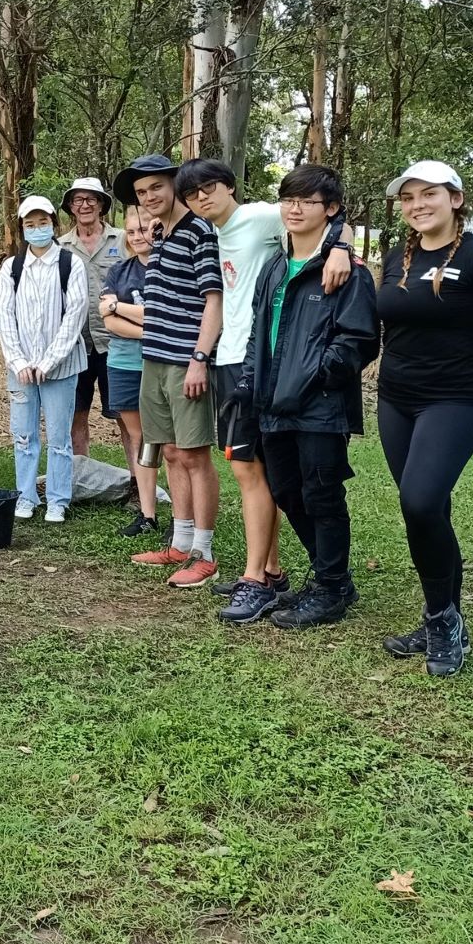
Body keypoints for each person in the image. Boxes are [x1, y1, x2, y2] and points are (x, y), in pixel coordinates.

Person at [376, 160, 473, 676]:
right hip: (397, 399)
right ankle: (442, 618)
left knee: (419, 500)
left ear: (456, 199)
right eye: (408, 198)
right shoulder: (396, 255)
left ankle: (443, 621)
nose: (418, 204)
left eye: (430, 195)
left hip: (456, 400)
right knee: (427, 511)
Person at [175, 158, 353, 597]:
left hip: (258, 360)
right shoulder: (212, 232)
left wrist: (341, 248)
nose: (201, 198)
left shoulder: (257, 216)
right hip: (234, 357)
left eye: (209, 188)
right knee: (257, 469)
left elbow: (329, 218)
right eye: (192, 194)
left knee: (247, 469)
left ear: (229, 187)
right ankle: (268, 568)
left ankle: (255, 575)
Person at [223, 164, 379, 628]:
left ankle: (331, 588)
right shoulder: (275, 267)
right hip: (271, 404)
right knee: (288, 491)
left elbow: (358, 341)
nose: (293, 208)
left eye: (306, 201)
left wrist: (312, 376)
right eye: (287, 199)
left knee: (322, 494)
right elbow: (258, 334)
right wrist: (251, 383)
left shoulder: (346, 271)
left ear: (331, 210)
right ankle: (334, 576)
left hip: (320, 405)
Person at [112, 155, 222, 588]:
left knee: (195, 454)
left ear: (175, 184)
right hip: (153, 359)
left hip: (184, 360)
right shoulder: (160, 232)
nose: (149, 197)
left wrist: (200, 357)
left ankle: (204, 552)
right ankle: (179, 542)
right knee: (171, 451)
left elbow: (214, 300)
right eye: (141, 193)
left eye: (156, 187)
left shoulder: (200, 230)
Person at [0, 195, 88, 523]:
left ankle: (58, 499)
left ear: (53, 224)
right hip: (20, 370)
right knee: (23, 434)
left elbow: (75, 315)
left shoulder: (69, 264)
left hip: (60, 368)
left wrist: (47, 362)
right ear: (22, 228)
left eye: (43, 223)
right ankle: (25, 496)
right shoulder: (12, 267)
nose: (37, 229)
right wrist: (19, 362)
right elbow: (4, 315)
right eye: (30, 225)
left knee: (60, 437)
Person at [99, 209, 161, 537]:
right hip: (123, 364)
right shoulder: (119, 271)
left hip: (162, 364)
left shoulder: (170, 269)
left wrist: (119, 307)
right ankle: (148, 514)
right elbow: (107, 322)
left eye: (144, 229)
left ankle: (185, 518)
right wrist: (151, 327)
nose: (137, 236)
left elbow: (163, 312)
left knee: (171, 442)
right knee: (140, 437)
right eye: (131, 231)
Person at [58, 177, 124, 460]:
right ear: (71, 207)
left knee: (128, 418)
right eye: (78, 200)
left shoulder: (123, 239)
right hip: (76, 346)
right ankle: (79, 479)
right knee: (76, 416)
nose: (84, 205)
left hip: (117, 343)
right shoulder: (60, 246)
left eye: (91, 199)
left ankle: (138, 485)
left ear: (101, 205)